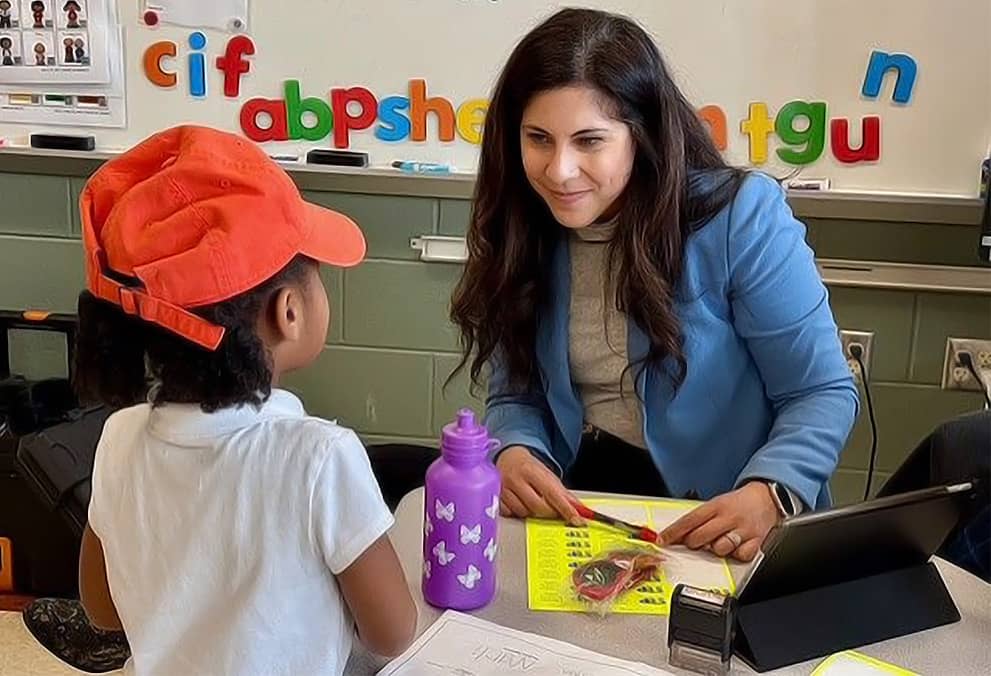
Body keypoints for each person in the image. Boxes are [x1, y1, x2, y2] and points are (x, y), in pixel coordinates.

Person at [448, 8, 859, 562]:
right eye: (538, 139)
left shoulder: (742, 216)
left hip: (731, 505)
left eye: (589, 141)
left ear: (641, 136)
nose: (559, 169)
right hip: (591, 496)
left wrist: (771, 490)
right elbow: (516, 393)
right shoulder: (520, 225)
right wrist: (516, 450)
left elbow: (821, 392)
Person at [73, 125, 416, 675]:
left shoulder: (118, 437)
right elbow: (392, 632)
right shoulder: (321, 456)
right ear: (289, 312)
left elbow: (103, 609)